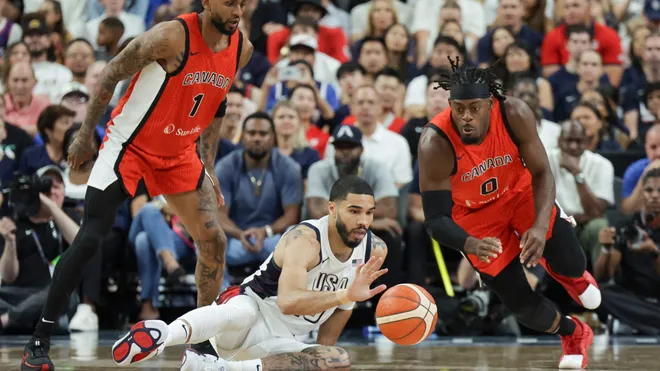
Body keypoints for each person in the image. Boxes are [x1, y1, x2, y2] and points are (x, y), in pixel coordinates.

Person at [20, 3, 254, 370]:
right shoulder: (170, 37)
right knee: (91, 237)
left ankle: (201, 347)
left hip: (178, 153)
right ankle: (39, 339)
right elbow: (112, 70)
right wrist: (84, 136)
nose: (237, 9)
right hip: (130, 145)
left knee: (214, 242)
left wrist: (207, 164)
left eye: (242, 2)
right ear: (206, 2)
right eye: (229, 1)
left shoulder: (242, 48)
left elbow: (218, 103)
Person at [418, 58, 601, 369]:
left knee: (571, 262)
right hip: (475, 218)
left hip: (521, 194)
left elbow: (543, 172)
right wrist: (469, 244)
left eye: (474, 108)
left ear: (490, 104)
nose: (466, 117)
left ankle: (570, 275)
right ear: (449, 105)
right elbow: (435, 220)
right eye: (459, 108)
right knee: (523, 307)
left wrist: (541, 226)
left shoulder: (513, 112)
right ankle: (575, 333)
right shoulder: (434, 142)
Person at [111, 175, 388, 371]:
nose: (363, 221)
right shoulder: (305, 239)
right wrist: (343, 294)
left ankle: (218, 369)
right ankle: (163, 336)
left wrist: (316, 357)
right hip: (250, 311)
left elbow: (342, 311)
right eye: (354, 211)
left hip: (282, 342)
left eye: (369, 213)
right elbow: (288, 302)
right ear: (332, 209)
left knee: (335, 360)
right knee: (241, 312)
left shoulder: (373, 250)